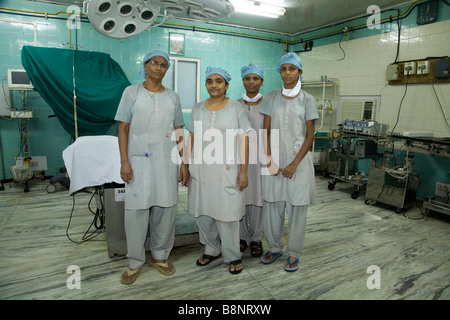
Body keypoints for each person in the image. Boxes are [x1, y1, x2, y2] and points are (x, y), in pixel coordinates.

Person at [115, 49, 187, 284]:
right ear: (145, 66)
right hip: (138, 162)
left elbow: (179, 131)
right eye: (154, 63)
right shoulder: (131, 93)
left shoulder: (173, 97)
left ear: (167, 70)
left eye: (163, 64)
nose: (158, 67)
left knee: (166, 210)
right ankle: (135, 262)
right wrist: (125, 161)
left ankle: (159, 256)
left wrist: (184, 163)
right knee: (136, 211)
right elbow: (123, 128)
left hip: (166, 162)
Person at [184, 66, 251, 274]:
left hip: (227, 169)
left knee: (228, 215)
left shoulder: (236, 108)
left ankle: (232, 255)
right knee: (202, 213)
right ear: (206, 84)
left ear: (227, 85)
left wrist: (243, 171)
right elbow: (191, 138)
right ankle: (212, 248)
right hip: (201, 169)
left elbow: (243, 139)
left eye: (219, 81)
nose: (214, 85)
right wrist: (185, 166)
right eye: (210, 81)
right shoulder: (197, 109)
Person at [259, 53, 318, 272]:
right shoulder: (271, 97)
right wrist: (269, 160)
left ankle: (294, 253)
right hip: (274, 162)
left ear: (300, 72)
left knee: (297, 209)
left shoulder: (308, 99)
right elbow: (264, 131)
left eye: (292, 69)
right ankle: (275, 248)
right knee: (273, 207)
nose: (287, 73)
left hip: (299, 163)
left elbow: (310, 135)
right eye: (283, 69)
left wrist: (294, 164)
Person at [237, 63, 265, 257]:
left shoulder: (268, 104)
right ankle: (240, 237)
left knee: (258, 199)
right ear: (243, 81)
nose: (251, 82)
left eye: (255, 78)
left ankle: (256, 238)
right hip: (240, 159)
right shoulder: (234, 104)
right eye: (247, 78)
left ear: (261, 81)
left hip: (261, 160)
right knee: (239, 198)